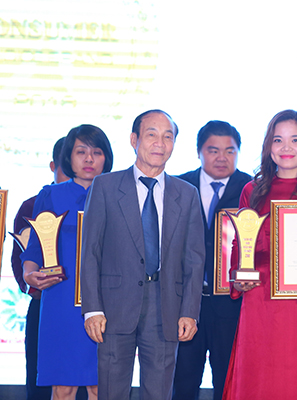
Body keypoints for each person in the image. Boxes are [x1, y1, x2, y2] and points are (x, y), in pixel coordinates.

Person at [80, 110, 205, 400]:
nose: (160, 143)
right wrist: (92, 309)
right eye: (151, 134)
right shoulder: (106, 187)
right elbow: (90, 252)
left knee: (159, 392)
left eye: (168, 136)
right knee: (111, 391)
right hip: (114, 307)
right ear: (134, 140)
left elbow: (194, 259)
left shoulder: (187, 193)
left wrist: (190, 311)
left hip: (166, 307)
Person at [222, 109, 297, 400]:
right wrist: (238, 279)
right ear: (269, 146)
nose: (286, 147)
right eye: (278, 140)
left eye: (295, 140)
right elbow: (240, 246)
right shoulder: (252, 190)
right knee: (260, 383)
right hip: (260, 304)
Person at [21, 125, 114, 400]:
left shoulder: (118, 195)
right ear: (68, 157)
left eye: (97, 152)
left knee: (101, 386)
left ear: (106, 158)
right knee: (63, 388)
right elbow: (34, 249)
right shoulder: (50, 195)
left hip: (106, 301)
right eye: (81, 152)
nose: (89, 159)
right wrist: (29, 274)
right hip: (60, 299)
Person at [172, 121, 252, 400]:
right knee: (183, 381)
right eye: (213, 150)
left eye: (230, 151)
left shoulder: (252, 189)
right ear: (199, 152)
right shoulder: (178, 186)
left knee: (229, 383)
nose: (222, 157)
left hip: (232, 303)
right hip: (185, 303)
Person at [11, 137, 67, 400]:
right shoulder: (33, 204)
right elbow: (20, 257)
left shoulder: (99, 202)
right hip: (44, 305)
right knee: (41, 383)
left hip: (86, 309)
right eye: (66, 166)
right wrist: (34, 285)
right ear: (53, 166)